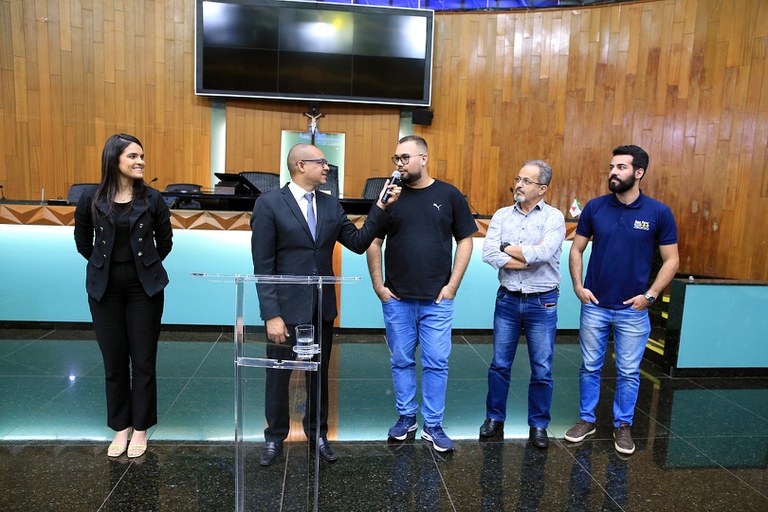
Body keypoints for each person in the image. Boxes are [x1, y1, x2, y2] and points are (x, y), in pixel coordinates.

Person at [251, 143, 400, 466]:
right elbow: (263, 265)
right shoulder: (269, 203)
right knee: (278, 376)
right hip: (284, 311)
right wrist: (271, 314)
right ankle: (274, 437)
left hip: (321, 308)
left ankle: (318, 433)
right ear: (300, 166)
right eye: (321, 162)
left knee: (318, 375)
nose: (327, 167)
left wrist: (380, 206)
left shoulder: (331, 204)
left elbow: (358, 243)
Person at [366, 135, 478, 453]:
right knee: (401, 360)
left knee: (436, 362)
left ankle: (433, 424)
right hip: (398, 299)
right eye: (396, 158)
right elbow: (373, 240)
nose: (399, 164)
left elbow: (466, 239)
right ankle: (406, 418)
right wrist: (379, 286)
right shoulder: (389, 196)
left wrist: (452, 285)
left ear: (424, 158)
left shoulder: (449, 195)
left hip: (436, 300)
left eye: (405, 157)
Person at [565, 144, 679, 455]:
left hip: (633, 309)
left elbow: (672, 260)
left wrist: (650, 296)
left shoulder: (658, 212)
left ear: (639, 172)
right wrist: (578, 286)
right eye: (612, 167)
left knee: (628, 371)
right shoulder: (595, 207)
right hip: (595, 306)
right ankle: (586, 419)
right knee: (590, 366)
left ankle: (623, 425)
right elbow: (576, 249)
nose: (613, 172)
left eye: (621, 167)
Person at [74, 133, 173, 458]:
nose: (140, 161)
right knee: (114, 362)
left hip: (144, 289)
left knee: (143, 361)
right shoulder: (90, 198)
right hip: (104, 290)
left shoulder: (153, 199)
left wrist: (144, 265)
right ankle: (121, 427)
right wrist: (104, 264)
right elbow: (83, 242)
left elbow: (165, 242)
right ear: (113, 159)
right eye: (133, 156)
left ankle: (140, 428)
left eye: (141, 156)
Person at [479, 160, 566, 448]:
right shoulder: (502, 215)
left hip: (542, 302)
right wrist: (521, 259)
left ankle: (539, 424)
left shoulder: (554, 218)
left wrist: (507, 248)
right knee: (499, 364)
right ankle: (494, 418)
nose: (519, 185)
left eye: (527, 181)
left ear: (542, 189)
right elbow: (488, 253)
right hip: (508, 299)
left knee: (541, 368)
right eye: (518, 179)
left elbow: (544, 253)